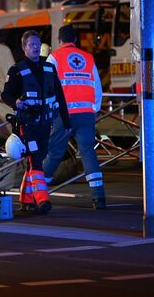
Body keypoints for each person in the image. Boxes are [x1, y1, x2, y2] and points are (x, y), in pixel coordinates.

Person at [1, 30, 71, 215]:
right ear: (24, 48)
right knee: (36, 160)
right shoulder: (16, 70)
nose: (35, 48)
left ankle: (26, 199)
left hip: (45, 125)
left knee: (34, 162)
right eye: (31, 45)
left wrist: (66, 119)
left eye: (38, 45)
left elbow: (60, 96)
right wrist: (15, 102)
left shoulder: (49, 68)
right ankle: (42, 200)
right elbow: (5, 94)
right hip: (27, 124)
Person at [43, 25, 107, 210]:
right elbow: (97, 88)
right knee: (88, 152)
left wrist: (50, 110)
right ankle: (98, 197)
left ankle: (37, 192)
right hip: (86, 114)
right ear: (76, 39)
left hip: (63, 115)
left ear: (59, 39)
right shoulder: (87, 58)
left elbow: (49, 87)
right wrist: (93, 109)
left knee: (54, 153)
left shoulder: (54, 57)